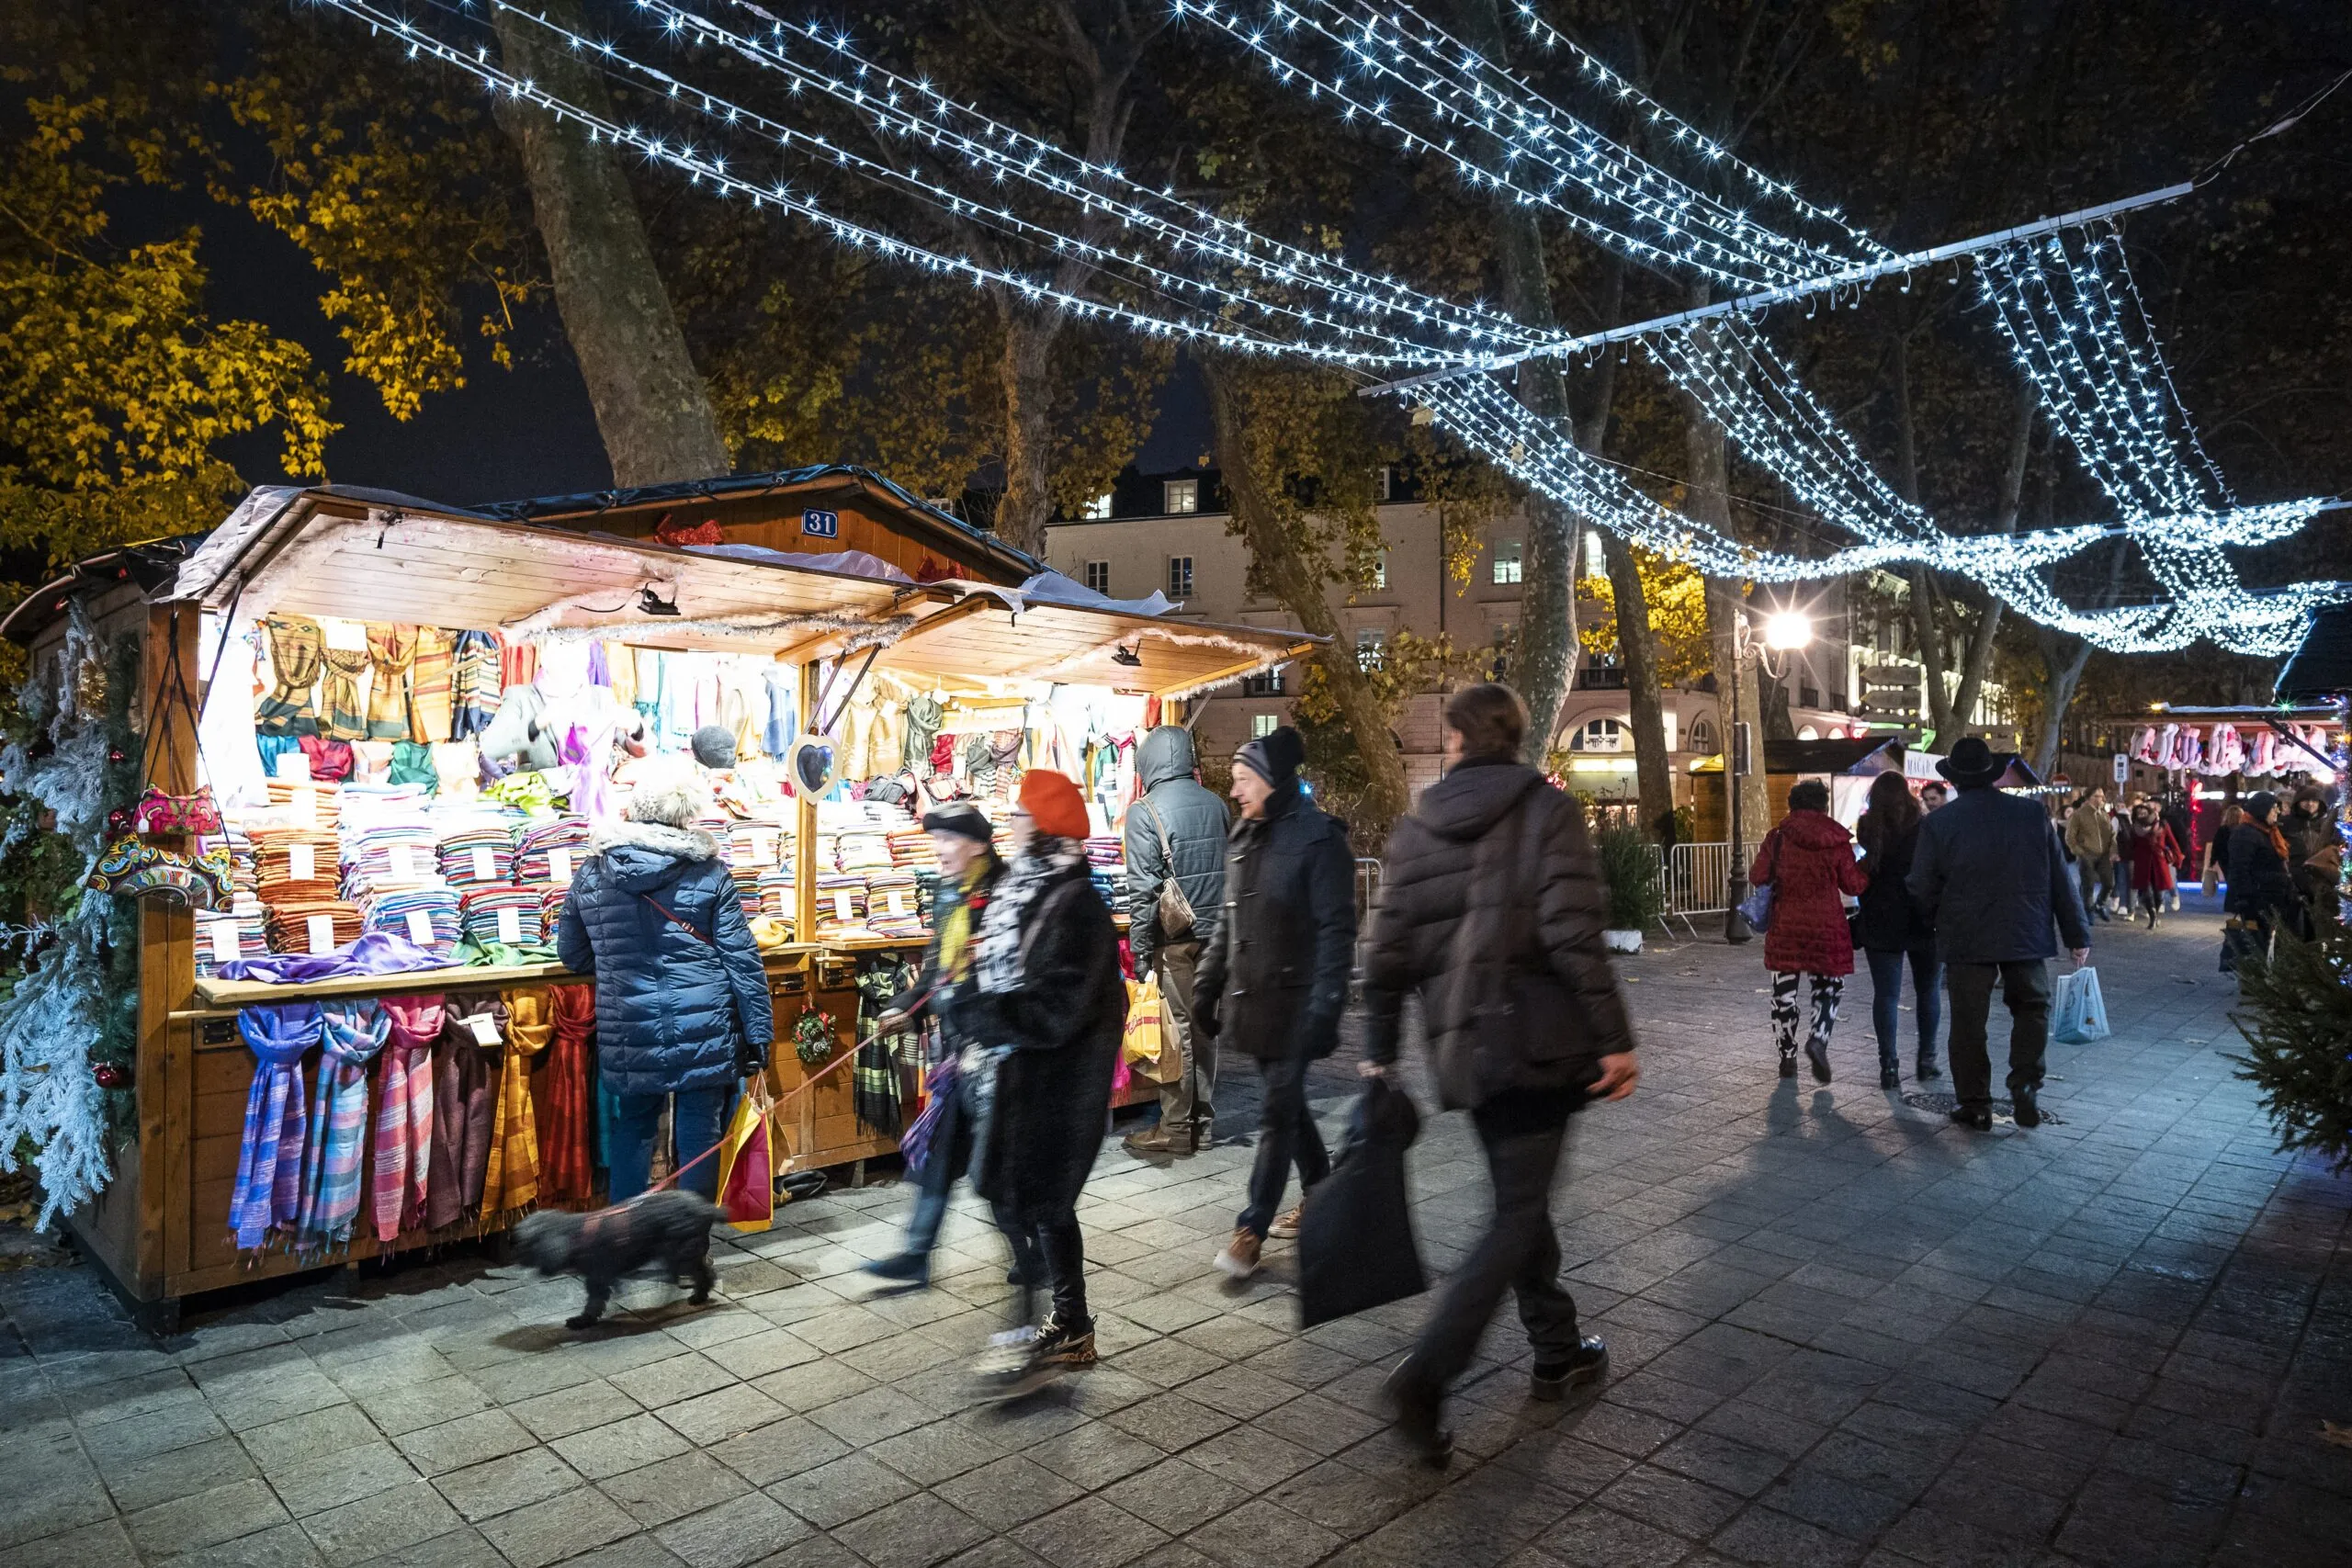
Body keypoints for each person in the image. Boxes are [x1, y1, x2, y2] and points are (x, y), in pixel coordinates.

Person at [1361, 683, 1636, 1463]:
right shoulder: (1548, 812)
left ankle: (1556, 1348)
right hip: (1542, 1043)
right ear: (1515, 736)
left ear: (1454, 740)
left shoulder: (1417, 829)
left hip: (1466, 1052)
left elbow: (1385, 958)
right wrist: (1615, 1038)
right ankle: (1428, 1371)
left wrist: (1380, 1046)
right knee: (1517, 1210)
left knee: (1522, 1198)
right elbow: (1574, 935)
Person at [958, 771, 1125, 1397]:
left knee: (1035, 1203)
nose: (1013, 824)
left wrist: (982, 1014)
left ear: (1046, 824)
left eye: (1022, 814)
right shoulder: (1024, 888)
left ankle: (1038, 1334)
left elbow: (1059, 1007)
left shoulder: (1075, 901)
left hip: (1058, 1081)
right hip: (1020, 1071)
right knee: (1024, 1202)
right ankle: (1066, 1324)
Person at [555, 783, 774, 1199]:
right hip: (704, 1021)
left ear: (634, 812)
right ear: (684, 816)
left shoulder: (593, 872)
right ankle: (690, 1243)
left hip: (629, 1021)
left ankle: (626, 1234)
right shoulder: (710, 873)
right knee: (699, 1129)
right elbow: (741, 959)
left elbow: (573, 955)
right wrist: (759, 1031)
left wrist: (619, 964)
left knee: (634, 1124)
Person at [1194, 725, 1356, 1280]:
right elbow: (1226, 920)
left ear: (1270, 779)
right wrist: (1206, 986)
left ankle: (1251, 1228)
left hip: (1297, 1007)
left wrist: (1327, 1008)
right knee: (1287, 1109)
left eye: (1243, 780)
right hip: (1253, 1002)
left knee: (1275, 1112)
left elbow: (1338, 933)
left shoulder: (1318, 838)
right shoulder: (1245, 833)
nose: (1235, 791)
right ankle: (1324, 1192)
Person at [1908, 737, 2091, 1133]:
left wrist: (1931, 922)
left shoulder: (1939, 823)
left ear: (1954, 780)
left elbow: (1921, 886)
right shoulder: (2030, 814)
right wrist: (2077, 932)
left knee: (1969, 1022)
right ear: (1992, 777)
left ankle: (1975, 1103)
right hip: (2025, 930)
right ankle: (2025, 1080)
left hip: (1966, 935)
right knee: (2031, 1007)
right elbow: (2061, 879)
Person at [861, 804, 1002, 1286]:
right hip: (957, 1051)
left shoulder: (1002, 894)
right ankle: (917, 1253)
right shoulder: (948, 895)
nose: (938, 850)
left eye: (949, 839)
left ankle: (1036, 1258)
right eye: (935, 839)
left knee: (994, 1173)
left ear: (979, 844)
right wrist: (904, 1007)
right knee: (938, 1157)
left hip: (996, 1054)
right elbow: (935, 975)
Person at [1121, 725, 1229, 1156]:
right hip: (1218, 937)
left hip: (1177, 941)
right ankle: (1203, 1123)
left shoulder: (1143, 811)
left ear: (1147, 762)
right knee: (1205, 1030)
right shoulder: (1217, 804)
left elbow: (1142, 891)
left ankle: (1177, 1128)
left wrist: (1141, 952)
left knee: (1178, 1031)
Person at [1748, 779, 1867, 1084]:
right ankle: (1818, 1038)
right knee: (1828, 989)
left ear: (1792, 805)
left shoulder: (1777, 838)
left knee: (1783, 995)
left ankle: (1787, 1055)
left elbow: (1757, 875)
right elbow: (1852, 885)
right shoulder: (1836, 840)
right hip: (1827, 928)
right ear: (1823, 806)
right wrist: (1868, 865)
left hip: (1786, 927)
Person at [1853, 771, 1940, 1089]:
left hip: (1880, 916)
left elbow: (1866, 866)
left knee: (1886, 995)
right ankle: (1926, 1059)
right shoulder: (1924, 826)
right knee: (1928, 990)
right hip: (1922, 916)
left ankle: (1888, 1065)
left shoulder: (1868, 826)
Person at [2225, 791, 2299, 942]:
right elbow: (2240, 869)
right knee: (2257, 943)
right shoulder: (2245, 834)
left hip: (2272, 898)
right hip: (2257, 902)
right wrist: (2246, 899)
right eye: (2273, 808)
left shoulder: (2268, 831)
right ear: (2262, 810)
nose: (2277, 812)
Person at [2282, 784, 2336, 931]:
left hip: (2321, 880)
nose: (2310, 804)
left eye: (2315, 800)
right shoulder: (2287, 824)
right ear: (2298, 802)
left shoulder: (2326, 825)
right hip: (2294, 880)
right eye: (2306, 800)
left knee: (2318, 926)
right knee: (2295, 927)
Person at [2122, 798, 2181, 931]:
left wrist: (2178, 858)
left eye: (2144, 813)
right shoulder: (2135, 828)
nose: (2142, 815)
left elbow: (2172, 842)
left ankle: (2156, 913)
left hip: (2159, 862)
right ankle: (2153, 917)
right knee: (2146, 892)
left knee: (2159, 893)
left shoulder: (2162, 825)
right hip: (2142, 863)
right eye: (2139, 814)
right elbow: (2131, 846)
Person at [2064, 788, 2118, 923]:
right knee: (2088, 885)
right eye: (2097, 796)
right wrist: (2079, 852)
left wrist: (2113, 851)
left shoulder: (2104, 814)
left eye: (2102, 796)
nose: (2100, 799)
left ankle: (2099, 904)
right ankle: (2087, 912)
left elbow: (2112, 835)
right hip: (2087, 853)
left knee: (2109, 882)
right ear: (2089, 798)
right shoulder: (2079, 815)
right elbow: (2070, 837)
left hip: (2104, 854)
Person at [2202, 803, 2245, 898]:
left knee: (2230, 880)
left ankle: (2233, 898)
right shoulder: (2243, 831)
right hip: (2240, 860)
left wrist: (2212, 861)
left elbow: (2216, 847)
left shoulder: (2223, 830)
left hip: (2225, 860)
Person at [2160, 792, 2194, 912]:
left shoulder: (2170, 819)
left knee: (2170, 877)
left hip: (2169, 852)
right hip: (2155, 853)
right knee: (2157, 878)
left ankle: (2174, 895)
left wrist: (2181, 852)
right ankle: (2160, 901)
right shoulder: (2147, 819)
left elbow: (2182, 836)